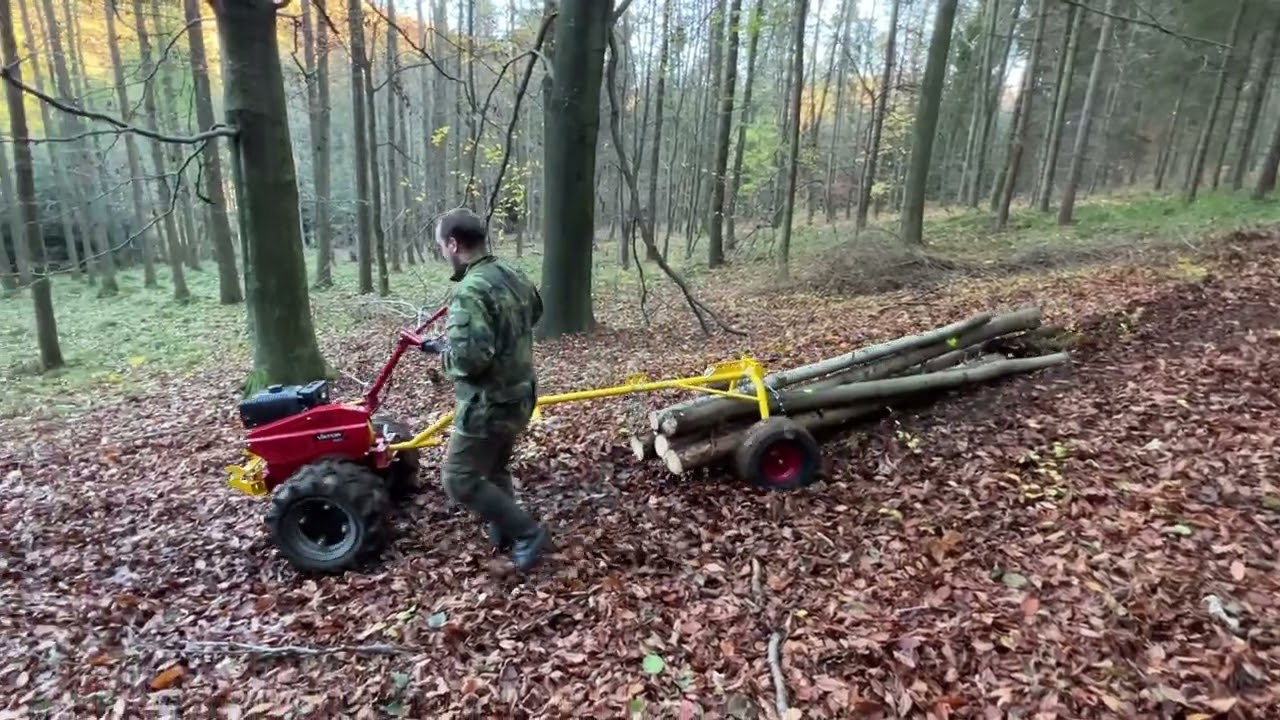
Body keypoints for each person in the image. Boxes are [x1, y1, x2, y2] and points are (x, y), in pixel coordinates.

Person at [420, 207, 550, 573]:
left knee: (458, 478)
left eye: (441, 246)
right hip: (520, 394)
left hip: (488, 402)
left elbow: (470, 360)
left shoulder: (470, 290)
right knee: (494, 467)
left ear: (453, 243)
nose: (442, 252)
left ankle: (527, 534)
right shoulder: (512, 273)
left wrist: (445, 356)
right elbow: (533, 314)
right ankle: (504, 530)